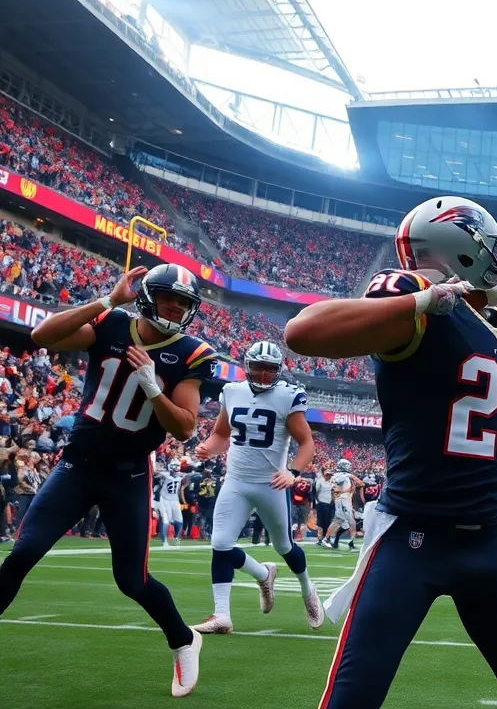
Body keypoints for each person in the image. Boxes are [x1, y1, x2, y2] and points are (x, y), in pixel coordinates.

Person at [284, 195, 497, 708]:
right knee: (354, 695)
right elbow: (302, 332)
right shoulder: (415, 298)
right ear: (460, 249)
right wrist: (419, 302)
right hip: (411, 537)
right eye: (490, 247)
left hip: (493, 540)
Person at [0, 263, 218, 697]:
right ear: (146, 296)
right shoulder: (111, 322)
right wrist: (106, 300)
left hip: (129, 475)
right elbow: (43, 336)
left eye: (183, 305)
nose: (175, 310)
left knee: (131, 581)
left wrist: (153, 388)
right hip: (76, 466)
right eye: (168, 300)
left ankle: (183, 639)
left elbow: (184, 428)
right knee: (22, 552)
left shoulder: (192, 353)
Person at [191, 340, 323, 634]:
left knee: (283, 546)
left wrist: (292, 471)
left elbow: (306, 443)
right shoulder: (232, 391)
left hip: (271, 484)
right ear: (246, 366)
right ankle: (224, 613)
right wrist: (207, 448)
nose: (263, 375)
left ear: (278, 371)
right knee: (221, 544)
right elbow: (220, 435)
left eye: (269, 369)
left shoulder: (289, 396)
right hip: (236, 480)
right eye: (258, 368)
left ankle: (307, 590)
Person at [322, 459, 360, 550]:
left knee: (339, 520)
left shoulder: (334, 476)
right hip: (344, 500)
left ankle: (327, 538)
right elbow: (360, 483)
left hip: (339, 500)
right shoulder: (346, 476)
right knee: (351, 521)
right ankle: (351, 543)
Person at [155, 461, 185, 547]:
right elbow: (157, 474)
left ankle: (176, 537)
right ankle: (164, 541)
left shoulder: (180, 476)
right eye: (176, 469)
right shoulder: (164, 475)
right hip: (164, 499)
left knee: (179, 520)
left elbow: (188, 475)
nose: (177, 471)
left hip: (174, 500)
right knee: (165, 520)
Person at [313, 467, 334, 543]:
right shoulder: (320, 481)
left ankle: (327, 537)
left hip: (330, 504)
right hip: (321, 503)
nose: (329, 476)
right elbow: (315, 492)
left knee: (329, 522)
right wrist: (317, 503)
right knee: (320, 522)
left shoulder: (332, 483)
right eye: (328, 475)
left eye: (330, 475)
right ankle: (319, 538)